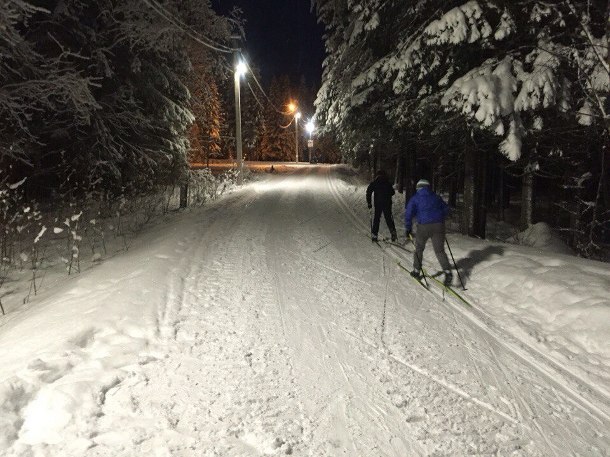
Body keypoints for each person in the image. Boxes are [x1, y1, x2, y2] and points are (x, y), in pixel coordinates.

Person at [405, 179, 452, 285]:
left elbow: (408, 214)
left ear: (418, 188)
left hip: (423, 227)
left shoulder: (415, 198)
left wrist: (408, 228)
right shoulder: (436, 197)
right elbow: (446, 209)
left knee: (419, 248)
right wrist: (440, 217)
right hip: (439, 226)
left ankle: (416, 271)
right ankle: (448, 272)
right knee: (439, 251)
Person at [366, 170, 397, 242]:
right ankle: (393, 233)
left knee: (377, 219)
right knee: (389, 218)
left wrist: (369, 203)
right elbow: (392, 192)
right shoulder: (387, 182)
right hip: (387, 203)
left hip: (378, 203)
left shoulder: (375, 182)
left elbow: (368, 192)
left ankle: (374, 235)